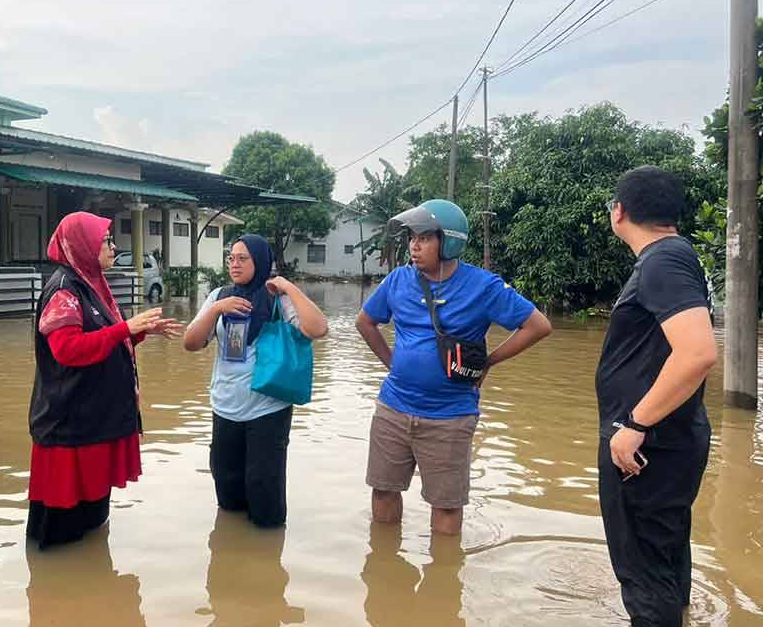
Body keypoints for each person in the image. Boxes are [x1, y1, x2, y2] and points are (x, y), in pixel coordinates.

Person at [356, 199, 551, 535]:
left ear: (449, 241)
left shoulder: (484, 286)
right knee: (383, 490)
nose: (413, 246)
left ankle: (443, 575)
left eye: (424, 238)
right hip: (393, 409)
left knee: (446, 505)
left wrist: (490, 361)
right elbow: (365, 322)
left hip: (450, 415)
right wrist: (394, 365)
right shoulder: (397, 281)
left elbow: (538, 325)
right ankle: (385, 570)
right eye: (411, 238)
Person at [597, 166, 717, 627]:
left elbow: (698, 353)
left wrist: (634, 423)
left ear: (619, 212)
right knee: (663, 556)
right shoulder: (677, 256)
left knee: (645, 570)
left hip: (646, 447)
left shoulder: (662, 262)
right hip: (668, 441)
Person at [27, 212, 183, 549]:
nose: (113, 247)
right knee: (64, 533)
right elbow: (68, 351)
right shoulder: (65, 290)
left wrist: (139, 332)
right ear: (83, 245)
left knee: (91, 525)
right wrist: (125, 328)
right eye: (106, 241)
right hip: (70, 425)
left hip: (92, 419)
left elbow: (104, 341)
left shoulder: (92, 283)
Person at [183, 234, 328, 528]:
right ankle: (232, 557)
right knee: (227, 491)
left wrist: (286, 286)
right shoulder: (219, 296)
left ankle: (266, 560)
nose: (234, 264)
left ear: (260, 261)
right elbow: (191, 343)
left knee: (265, 492)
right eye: (231, 258)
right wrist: (215, 310)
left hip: (267, 408)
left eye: (243, 258)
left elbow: (318, 328)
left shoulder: (278, 298)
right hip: (225, 406)